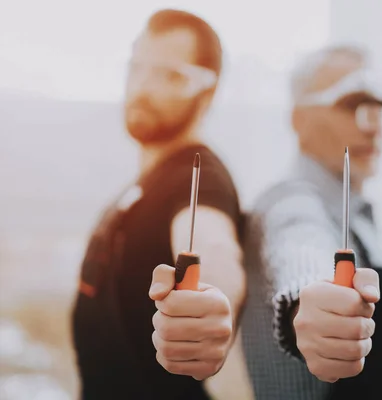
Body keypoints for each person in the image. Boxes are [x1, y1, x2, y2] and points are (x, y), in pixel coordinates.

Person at [71, 9, 251, 400]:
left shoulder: (200, 177)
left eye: (170, 75)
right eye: (138, 68)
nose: (143, 86)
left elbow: (214, 246)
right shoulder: (144, 182)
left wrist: (213, 308)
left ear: (208, 92)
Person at [241, 45, 382, 399]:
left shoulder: (355, 212)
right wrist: (311, 297)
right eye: (352, 104)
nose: (373, 126)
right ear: (298, 119)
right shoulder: (288, 201)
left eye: (378, 107)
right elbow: (299, 247)